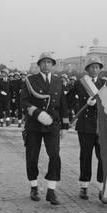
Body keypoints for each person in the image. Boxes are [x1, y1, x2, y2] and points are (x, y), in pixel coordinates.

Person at [20, 52, 69, 205]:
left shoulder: (58, 81)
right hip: (34, 125)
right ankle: (34, 186)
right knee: (32, 156)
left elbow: (63, 105)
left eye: (49, 62)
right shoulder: (30, 80)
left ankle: (51, 190)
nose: (46, 65)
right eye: (44, 62)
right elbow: (24, 101)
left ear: (53, 65)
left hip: (52, 125)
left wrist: (65, 126)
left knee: (55, 156)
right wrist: (37, 113)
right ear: (39, 64)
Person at [66, 56, 106, 203]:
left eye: (97, 67)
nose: (94, 69)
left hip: (100, 127)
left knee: (102, 157)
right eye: (92, 67)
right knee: (85, 156)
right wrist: (79, 107)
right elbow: (68, 101)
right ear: (87, 69)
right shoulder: (80, 84)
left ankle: (102, 187)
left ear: (100, 69)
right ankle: (84, 186)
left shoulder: (105, 84)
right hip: (85, 126)